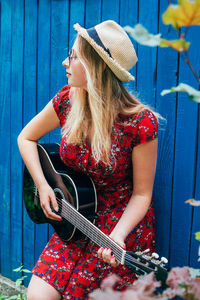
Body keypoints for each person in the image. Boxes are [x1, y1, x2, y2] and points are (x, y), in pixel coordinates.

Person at [18, 20, 158, 300]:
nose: (64, 62)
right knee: (37, 296)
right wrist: (44, 186)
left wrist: (117, 237)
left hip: (118, 227)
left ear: (99, 67)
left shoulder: (140, 122)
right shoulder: (67, 101)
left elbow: (142, 194)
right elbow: (26, 138)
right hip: (74, 215)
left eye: (73, 56)